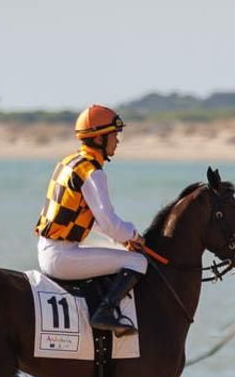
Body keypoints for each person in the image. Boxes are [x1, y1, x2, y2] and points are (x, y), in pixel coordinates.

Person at [34, 104, 149, 334]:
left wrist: (123, 239)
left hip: (49, 250)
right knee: (138, 262)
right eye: (114, 135)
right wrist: (135, 236)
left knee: (123, 254)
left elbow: (91, 219)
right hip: (62, 257)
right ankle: (104, 313)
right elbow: (109, 223)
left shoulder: (69, 162)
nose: (117, 141)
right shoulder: (92, 172)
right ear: (99, 138)